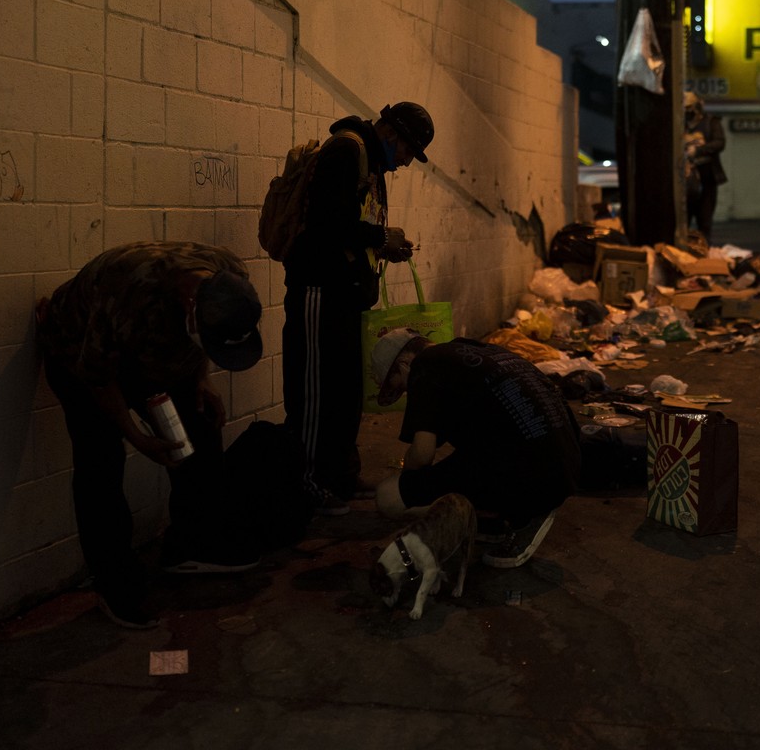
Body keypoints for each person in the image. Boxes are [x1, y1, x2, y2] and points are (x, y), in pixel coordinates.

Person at [35, 241, 265, 629]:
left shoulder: (228, 276)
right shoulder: (129, 292)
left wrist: (200, 380)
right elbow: (98, 376)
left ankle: (193, 543)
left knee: (199, 421)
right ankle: (115, 585)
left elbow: (201, 335)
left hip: (146, 343)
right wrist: (136, 435)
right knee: (101, 459)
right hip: (79, 354)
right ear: (190, 308)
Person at [282, 101, 434, 516]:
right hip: (319, 290)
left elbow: (356, 227)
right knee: (314, 393)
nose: (404, 162)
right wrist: (381, 237)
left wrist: (384, 246)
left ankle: (340, 476)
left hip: (347, 296)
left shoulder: (369, 161)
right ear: (392, 133)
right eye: (407, 151)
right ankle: (309, 483)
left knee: (346, 392)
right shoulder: (346, 151)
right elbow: (328, 224)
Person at [370, 329, 582, 569]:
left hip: (534, 474)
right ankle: (493, 518)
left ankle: (526, 514)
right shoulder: (476, 351)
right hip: (565, 462)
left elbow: (421, 455)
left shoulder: (424, 365)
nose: (408, 393)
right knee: (469, 459)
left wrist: (408, 480)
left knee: (388, 496)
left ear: (404, 364)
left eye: (402, 387)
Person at [683, 92, 727, 243]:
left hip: (706, 176)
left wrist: (699, 150)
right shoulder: (680, 124)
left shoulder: (710, 122)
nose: (688, 113)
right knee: (684, 221)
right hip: (686, 179)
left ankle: (704, 251)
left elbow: (719, 142)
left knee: (705, 219)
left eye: (689, 109)